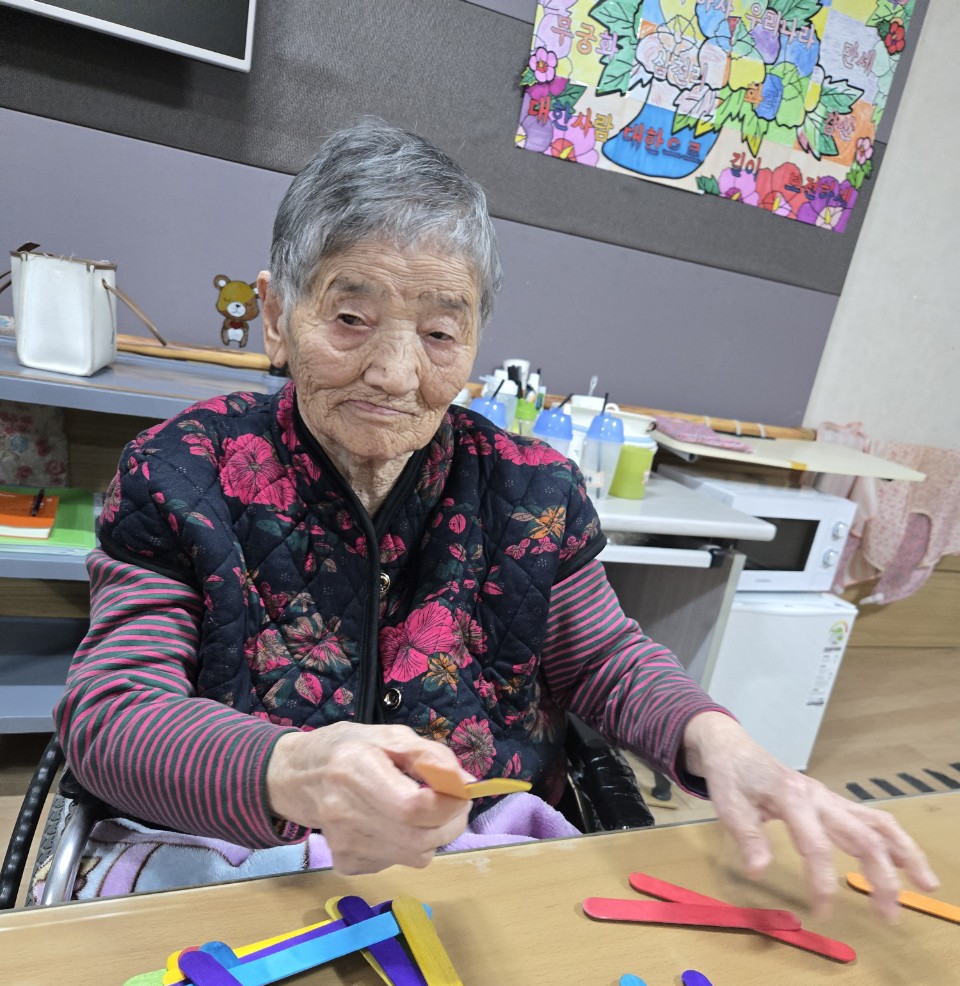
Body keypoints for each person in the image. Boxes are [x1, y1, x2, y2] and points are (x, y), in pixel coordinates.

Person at [55, 119, 936, 919]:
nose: (396, 374)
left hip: (480, 888)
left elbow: (604, 661)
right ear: (277, 316)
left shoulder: (528, 491)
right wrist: (292, 770)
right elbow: (112, 715)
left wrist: (722, 743)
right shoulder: (183, 473)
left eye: (440, 335)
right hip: (252, 882)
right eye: (352, 318)